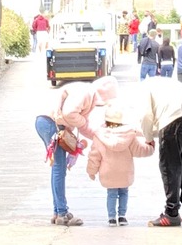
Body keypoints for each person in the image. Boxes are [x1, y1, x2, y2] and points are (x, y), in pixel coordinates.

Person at [35, 78, 110, 225]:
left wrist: (98, 136)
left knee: (58, 168)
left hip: (44, 122)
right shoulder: (87, 93)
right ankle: (62, 213)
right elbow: (70, 114)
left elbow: (81, 124)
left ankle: (58, 212)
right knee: (59, 169)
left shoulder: (85, 92)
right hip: (52, 124)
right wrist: (85, 124)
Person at [87, 104, 154, 224]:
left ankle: (111, 218)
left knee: (111, 194)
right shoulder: (129, 135)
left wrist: (91, 172)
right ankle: (122, 216)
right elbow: (140, 150)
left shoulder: (100, 136)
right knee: (124, 192)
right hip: (125, 171)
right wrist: (151, 147)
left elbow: (94, 156)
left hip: (108, 172)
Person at [150, 77, 182, 227]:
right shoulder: (176, 84)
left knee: (171, 168)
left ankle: (171, 213)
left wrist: (148, 137)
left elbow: (146, 116)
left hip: (170, 124)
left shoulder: (147, 89)